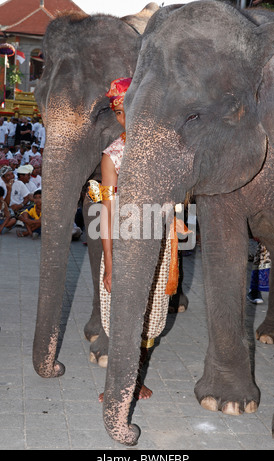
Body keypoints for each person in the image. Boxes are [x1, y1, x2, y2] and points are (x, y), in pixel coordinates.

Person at [88, 77, 177, 402]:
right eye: (121, 112)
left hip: (158, 243)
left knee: (151, 315)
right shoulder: (112, 156)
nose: (128, 118)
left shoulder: (165, 151)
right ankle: (117, 382)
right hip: (123, 244)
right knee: (118, 314)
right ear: (116, 115)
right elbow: (107, 213)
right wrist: (109, 264)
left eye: (134, 110)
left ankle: (135, 379)